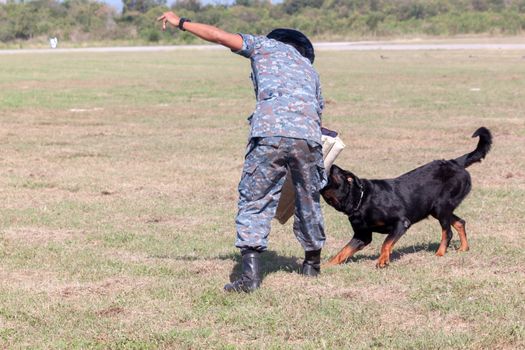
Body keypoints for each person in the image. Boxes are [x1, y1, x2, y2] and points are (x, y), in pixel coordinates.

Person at [158, 12, 327, 293]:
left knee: (255, 199)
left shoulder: (264, 45)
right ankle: (312, 264)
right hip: (308, 137)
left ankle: (250, 277)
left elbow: (220, 36)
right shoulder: (311, 71)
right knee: (308, 199)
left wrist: (182, 23)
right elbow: (319, 112)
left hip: (269, 133)